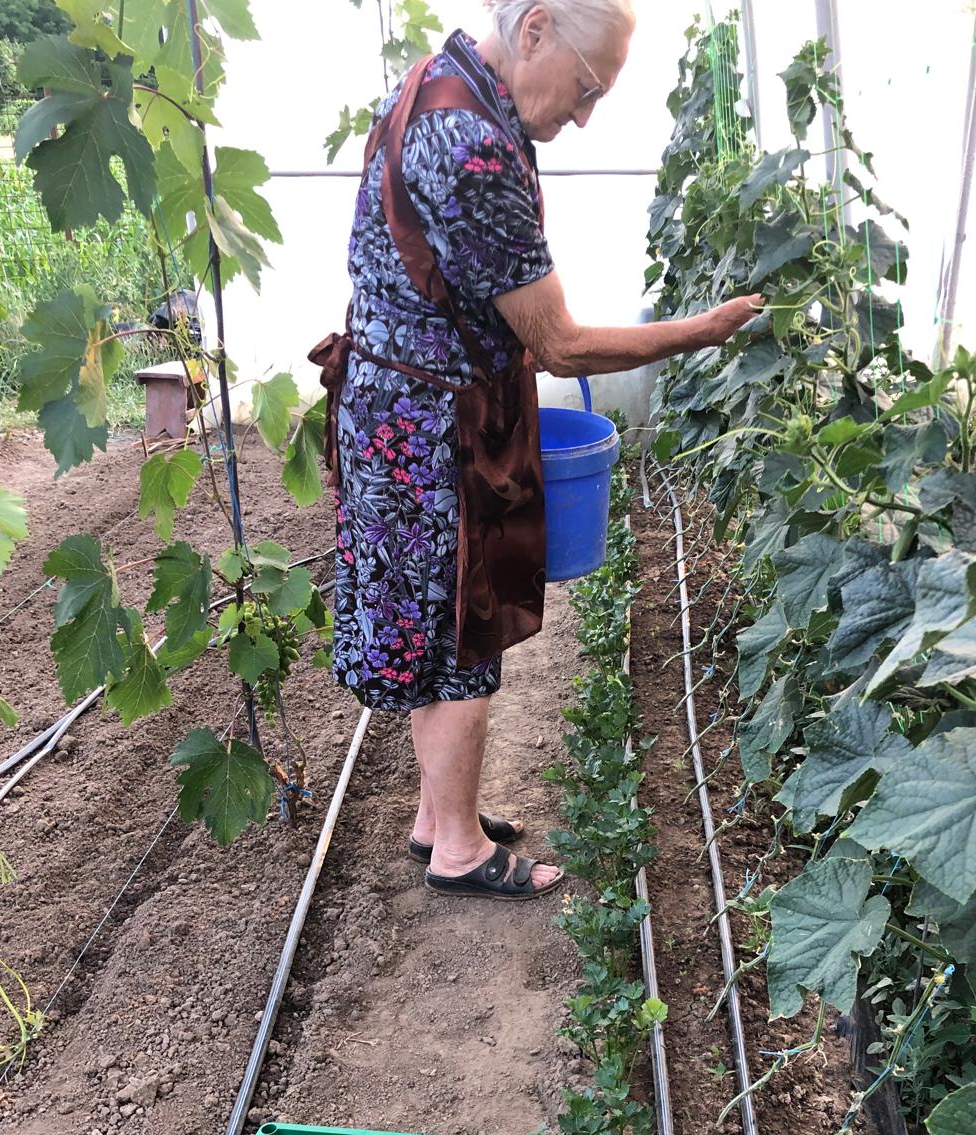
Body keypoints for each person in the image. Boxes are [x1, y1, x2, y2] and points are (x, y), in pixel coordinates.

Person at [318, 0, 759, 902]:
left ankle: (439, 817)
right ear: (534, 30)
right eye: (586, 89)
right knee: (461, 631)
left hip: (395, 407)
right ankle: (460, 852)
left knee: (433, 627)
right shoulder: (472, 146)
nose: (584, 116)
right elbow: (559, 343)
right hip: (430, 428)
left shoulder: (439, 80)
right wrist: (701, 331)